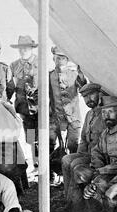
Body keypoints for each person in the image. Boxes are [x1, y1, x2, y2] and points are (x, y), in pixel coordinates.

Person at [61, 83, 107, 205]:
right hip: (88, 154)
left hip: (100, 157)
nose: (88, 100)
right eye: (85, 97)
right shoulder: (89, 114)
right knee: (66, 159)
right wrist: (80, 153)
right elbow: (83, 138)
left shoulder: (106, 114)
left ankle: (77, 203)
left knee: (75, 164)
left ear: (100, 94)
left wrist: (85, 158)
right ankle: (69, 198)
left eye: (91, 95)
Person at [49, 46, 86, 185]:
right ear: (53, 58)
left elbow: (83, 87)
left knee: (73, 145)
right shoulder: (49, 76)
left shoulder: (74, 74)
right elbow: (48, 97)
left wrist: (81, 74)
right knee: (55, 146)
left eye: (63, 57)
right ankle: (56, 174)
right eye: (57, 57)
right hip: (57, 119)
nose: (60, 60)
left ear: (67, 59)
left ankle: (73, 177)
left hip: (74, 119)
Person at [8, 35, 39, 169]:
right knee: (31, 137)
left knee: (44, 137)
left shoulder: (40, 62)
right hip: (24, 109)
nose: (23, 50)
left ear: (31, 48)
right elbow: (10, 86)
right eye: (20, 48)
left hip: (40, 107)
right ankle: (37, 164)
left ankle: (46, 168)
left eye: (25, 48)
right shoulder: (14, 65)